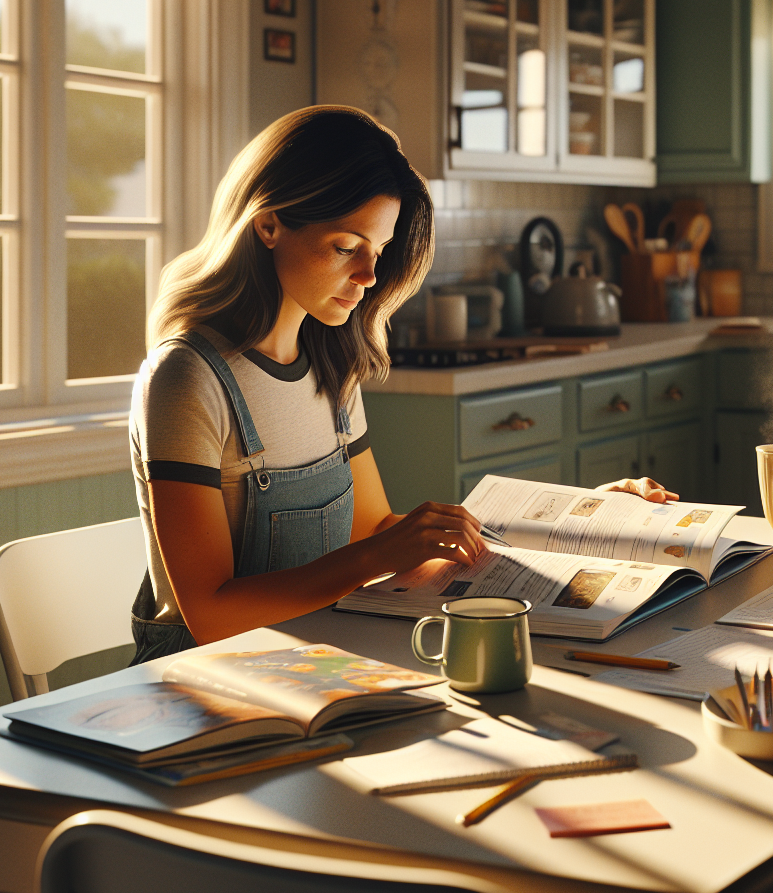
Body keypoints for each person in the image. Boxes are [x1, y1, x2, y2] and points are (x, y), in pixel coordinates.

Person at [128, 106, 672, 663]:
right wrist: (379, 552)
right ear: (269, 224)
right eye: (347, 247)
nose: (368, 277)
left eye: (379, 252)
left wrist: (571, 527)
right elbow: (212, 615)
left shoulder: (331, 363)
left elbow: (376, 532)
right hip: (204, 691)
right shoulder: (188, 379)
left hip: (313, 663)